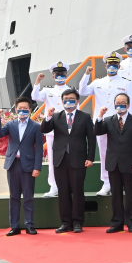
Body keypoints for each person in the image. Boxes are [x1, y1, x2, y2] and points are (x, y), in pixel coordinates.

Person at [79, 52, 132, 196]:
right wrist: (86, 75)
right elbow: (82, 91)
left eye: (115, 64)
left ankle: (123, 180)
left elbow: (131, 103)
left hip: (120, 123)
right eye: (110, 64)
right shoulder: (98, 82)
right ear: (105, 66)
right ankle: (106, 182)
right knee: (104, 153)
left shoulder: (126, 83)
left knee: (124, 151)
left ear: (119, 66)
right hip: (102, 123)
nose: (112, 66)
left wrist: (131, 124)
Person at [40, 89, 95, 234]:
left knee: (77, 191)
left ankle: (77, 222)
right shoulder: (56, 116)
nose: (68, 101)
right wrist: (48, 116)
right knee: (63, 192)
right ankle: (65, 222)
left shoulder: (85, 117)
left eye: (71, 99)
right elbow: (44, 129)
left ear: (77, 101)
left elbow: (91, 138)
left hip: (78, 159)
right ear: (62, 101)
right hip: (60, 159)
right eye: (65, 99)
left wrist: (90, 157)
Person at [95, 93, 132, 233]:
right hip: (113, 163)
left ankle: (131, 222)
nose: (120, 104)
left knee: (130, 194)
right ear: (114, 104)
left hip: (130, 163)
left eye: (123, 102)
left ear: (128, 105)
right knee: (115, 194)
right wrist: (99, 116)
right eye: (117, 102)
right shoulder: (108, 120)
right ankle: (117, 222)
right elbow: (98, 131)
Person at [0, 98, 43, 236]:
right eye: (20, 108)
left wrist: (37, 167)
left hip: (28, 165)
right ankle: (14, 226)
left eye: (25, 108)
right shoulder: (10, 125)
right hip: (12, 164)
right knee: (14, 197)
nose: (22, 110)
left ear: (30, 110)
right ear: (16, 110)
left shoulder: (36, 126)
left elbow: (39, 149)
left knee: (28, 197)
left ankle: (29, 225)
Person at [32, 61, 73, 197]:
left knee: (70, 159)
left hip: (68, 130)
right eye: (57, 74)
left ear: (66, 75)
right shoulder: (47, 90)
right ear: (53, 76)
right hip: (53, 130)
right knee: (53, 160)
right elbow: (34, 97)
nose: (60, 76)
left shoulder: (72, 91)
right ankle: (54, 186)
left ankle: (69, 186)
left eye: (62, 74)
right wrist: (37, 82)